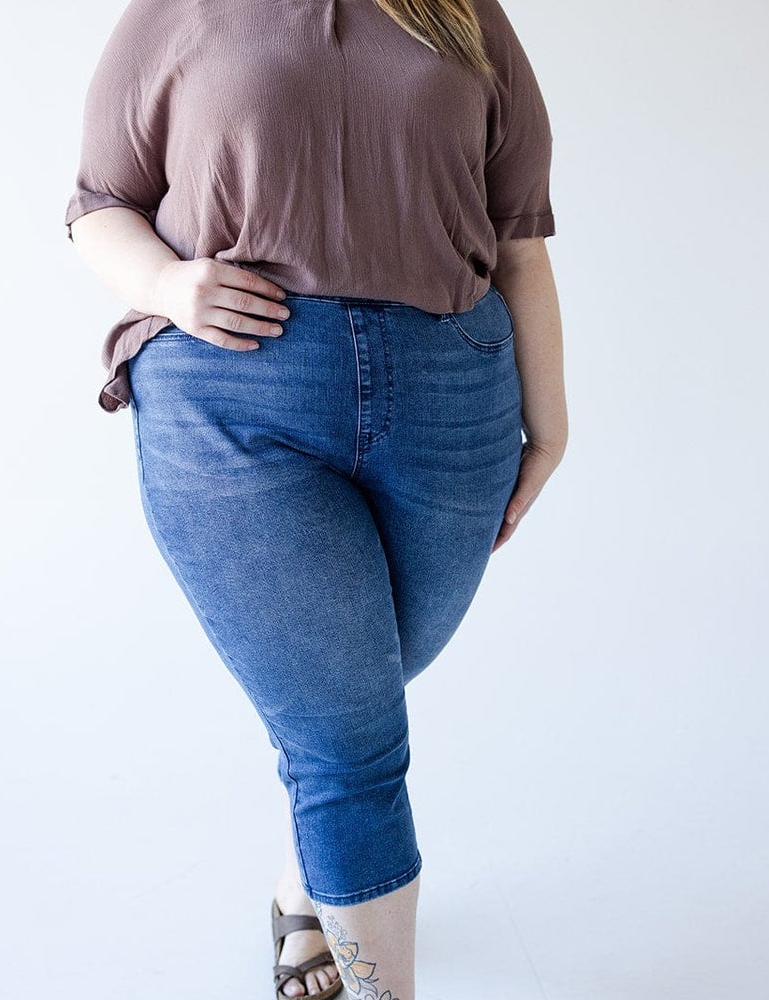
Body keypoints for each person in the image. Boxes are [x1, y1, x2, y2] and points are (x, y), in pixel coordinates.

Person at [63, 0, 567, 995]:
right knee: (351, 739)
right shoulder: (183, 9)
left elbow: (519, 240)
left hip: (453, 394)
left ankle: (309, 880)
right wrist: (167, 285)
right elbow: (98, 203)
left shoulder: (460, 13)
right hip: (236, 399)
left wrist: (551, 423)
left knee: (363, 682)